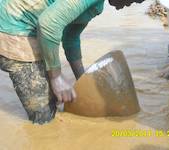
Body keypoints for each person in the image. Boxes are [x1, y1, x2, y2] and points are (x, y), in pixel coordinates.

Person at [0, 0, 145, 124]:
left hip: (27, 26)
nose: (127, 6)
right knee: (44, 119)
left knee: (57, 99)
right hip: (12, 27)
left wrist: (82, 80)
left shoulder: (97, 5)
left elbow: (71, 37)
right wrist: (56, 77)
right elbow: (48, 24)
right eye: (131, 1)